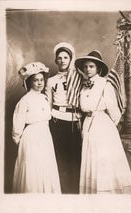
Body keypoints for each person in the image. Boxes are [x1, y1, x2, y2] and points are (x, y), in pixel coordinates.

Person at [75, 50, 131, 194]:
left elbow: (115, 112)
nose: (87, 69)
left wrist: (107, 128)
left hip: (102, 126)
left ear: (98, 68)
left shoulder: (105, 84)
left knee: (103, 159)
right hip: (88, 124)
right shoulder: (83, 85)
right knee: (92, 160)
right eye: (85, 67)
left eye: (91, 66)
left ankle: (107, 192)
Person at [12, 62, 61, 193]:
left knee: (45, 165)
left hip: (45, 135)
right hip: (32, 137)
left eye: (41, 80)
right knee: (33, 167)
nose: (39, 83)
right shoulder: (24, 101)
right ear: (29, 82)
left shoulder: (45, 98)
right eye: (35, 80)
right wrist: (21, 141)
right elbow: (17, 127)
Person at [45, 42, 82, 194]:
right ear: (55, 61)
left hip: (73, 120)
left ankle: (75, 192)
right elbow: (48, 102)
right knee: (60, 159)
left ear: (71, 59)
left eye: (66, 57)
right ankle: (63, 192)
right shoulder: (51, 80)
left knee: (75, 159)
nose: (62, 60)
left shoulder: (78, 77)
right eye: (59, 58)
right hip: (56, 120)